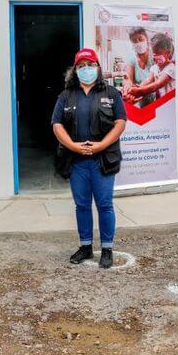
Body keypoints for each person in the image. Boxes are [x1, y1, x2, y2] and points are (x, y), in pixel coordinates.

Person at [51, 48, 127, 269]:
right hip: (77, 161)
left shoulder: (111, 93)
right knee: (82, 205)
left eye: (90, 64)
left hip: (103, 159)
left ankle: (106, 248)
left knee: (104, 204)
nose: (86, 69)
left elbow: (120, 122)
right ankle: (85, 246)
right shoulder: (66, 95)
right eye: (81, 66)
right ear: (75, 70)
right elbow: (57, 124)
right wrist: (73, 146)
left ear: (98, 67)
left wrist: (102, 145)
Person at [126, 33, 175, 102]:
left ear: (168, 53)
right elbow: (148, 81)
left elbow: (157, 85)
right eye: (153, 54)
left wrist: (139, 91)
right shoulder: (154, 68)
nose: (154, 57)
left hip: (170, 103)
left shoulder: (171, 69)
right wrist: (136, 88)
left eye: (158, 54)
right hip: (160, 103)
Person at [124, 27, 156, 107]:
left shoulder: (155, 56)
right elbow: (127, 79)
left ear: (146, 39)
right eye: (134, 41)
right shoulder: (131, 60)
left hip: (160, 103)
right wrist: (128, 90)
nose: (138, 43)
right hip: (142, 106)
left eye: (140, 39)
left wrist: (139, 87)